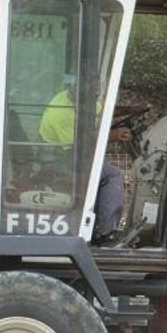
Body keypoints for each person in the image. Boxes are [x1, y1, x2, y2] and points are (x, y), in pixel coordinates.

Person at [39, 75, 125, 242]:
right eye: (93, 88)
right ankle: (105, 232)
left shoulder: (74, 99)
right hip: (58, 161)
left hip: (67, 156)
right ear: (78, 87)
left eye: (98, 87)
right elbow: (80, 145)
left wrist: (133, 109)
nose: (97, 91)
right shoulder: (61, 113)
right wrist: (112, 136)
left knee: (102, 169)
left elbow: (103, 111)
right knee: (112, 174)